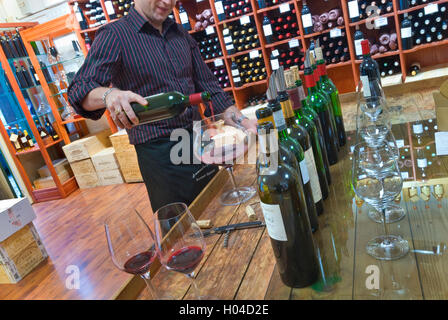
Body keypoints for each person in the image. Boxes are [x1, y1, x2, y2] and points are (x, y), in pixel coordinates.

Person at [68, 0, 256, 212]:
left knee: (219, 208)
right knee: (182, 229)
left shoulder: (179, 33)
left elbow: (209, 87)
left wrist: (239, 119)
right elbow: (78, 90)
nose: (167, 2)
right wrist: (109, 94)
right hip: (160, 153)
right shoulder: (115, 35)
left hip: (198, 140)